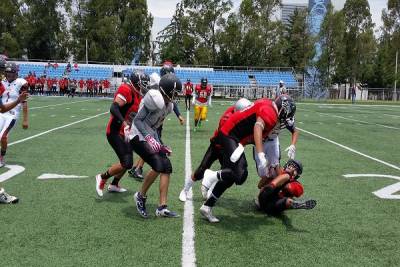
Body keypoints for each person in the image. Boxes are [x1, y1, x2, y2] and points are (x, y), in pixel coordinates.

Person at [199, 95, 296, 222]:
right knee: (239, 173)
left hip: (236, 138)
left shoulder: (269, 106)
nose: (286, 118)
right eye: (287, 113)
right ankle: (211, 175)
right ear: (282, 109)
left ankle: (207, 207)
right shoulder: (271, 115)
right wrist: (261, 155)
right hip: (230, 134)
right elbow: (257, 127)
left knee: (237, 177)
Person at [179, 98, 253, 202]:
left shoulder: (237, 110)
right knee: (201, 170)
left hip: (230, 148)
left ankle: (211, 189)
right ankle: (185, 190)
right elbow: (231, 138)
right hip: (218, 146)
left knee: (228, 174)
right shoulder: (227, 119)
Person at [130, 73, 182, 218]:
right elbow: (138, 121)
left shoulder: (168, 106)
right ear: (166, 90)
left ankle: (162, 207)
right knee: (158, 165)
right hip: (137, 136)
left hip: (149, 136)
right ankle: (140, 196)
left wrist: (159, 143)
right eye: (174, 92)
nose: (176, 95)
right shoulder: (155, 98)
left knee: (167, 166)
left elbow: (154, 127)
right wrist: (149, 138)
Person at [95, 72, 149, 197]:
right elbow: (113, 108)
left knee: (127, 160)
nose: (145, 87)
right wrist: (124, 123)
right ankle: (102, 177)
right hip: (115, 131)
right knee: (127, 163)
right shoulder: (126, 89)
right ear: (136, 83)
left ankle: (114, 184)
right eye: (143, 84)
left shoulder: (139, 95)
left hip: (127, 132)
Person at [0, 58, 29, 204]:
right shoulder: (1, 82)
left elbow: (23, 102)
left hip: (11, 113)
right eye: (7, 72)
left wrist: (25, 119)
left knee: (3, 136)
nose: (9, 74)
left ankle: (1, 157)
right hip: (2, 111)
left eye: (11, 72)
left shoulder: (21, 83)